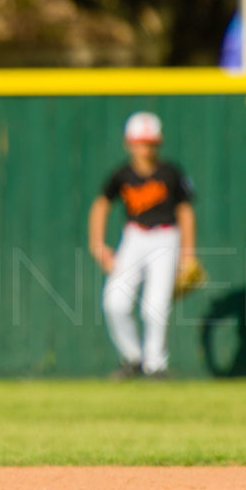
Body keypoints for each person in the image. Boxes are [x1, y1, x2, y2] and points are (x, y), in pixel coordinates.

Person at [88, 111, 196, 379]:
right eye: (139, 142)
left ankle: (156, 364)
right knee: (115, 302)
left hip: (165, 237)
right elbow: (101, 205)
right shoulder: (122, 175)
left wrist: (188, 253)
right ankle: (133, 358)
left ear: (157, 143)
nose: (144, 149)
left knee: (155, 305)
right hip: (134, 237)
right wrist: (98, 244)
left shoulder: (170, 173)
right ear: (129, 143)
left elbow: (185, 211)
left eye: (149, 143)